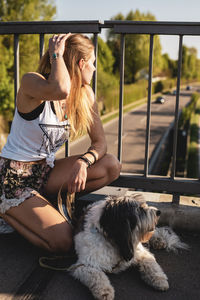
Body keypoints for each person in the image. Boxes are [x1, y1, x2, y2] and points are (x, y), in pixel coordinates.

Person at [0, 33, 121, 253]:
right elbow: (61, 89)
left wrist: (84, 162)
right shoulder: (32, 83)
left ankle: (36, 207)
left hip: (45, 173)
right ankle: (5, 209)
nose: (94, 69)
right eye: (92, 63)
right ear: (81, 64)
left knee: (111, 165)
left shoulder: (85, 95)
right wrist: (57, 54)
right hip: (13, 178)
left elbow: (100, 142)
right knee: (64, 241)